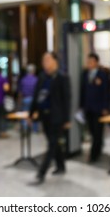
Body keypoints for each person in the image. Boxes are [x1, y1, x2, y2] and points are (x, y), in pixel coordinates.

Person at [28, 52, 71, 185]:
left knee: (52, 144)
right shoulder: (42, 77)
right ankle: (61, 166)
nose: (44, 63)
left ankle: (41, 173)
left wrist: (67, 119)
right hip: (44, 116)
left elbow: (67, 99)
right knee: (54, 142)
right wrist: (31, 114)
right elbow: (36, 97)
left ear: (55, 61)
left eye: (47, 60)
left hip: (57, 117)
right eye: (43, 60)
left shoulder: (62, 77)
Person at [80, 53, 109, 163]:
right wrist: (82, 106)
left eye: (91, 61)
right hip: (88, 108)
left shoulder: (102, 74)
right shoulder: (85, 74)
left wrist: (105, 107)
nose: (89, 64)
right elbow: (82, 90)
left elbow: (106, 91)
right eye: (88, 61)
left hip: (99, 108)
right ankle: (97, 148)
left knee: (98, 132)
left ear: (96, 62)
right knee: (92, 131)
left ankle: (94, 155)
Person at [18, 64, 38, 131]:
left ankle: (25, 128)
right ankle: (34, 129)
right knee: (34, 114)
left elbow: (20, 92)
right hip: (33, 99)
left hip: (25, 99)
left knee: (25, 114)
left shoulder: (23, 80)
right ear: (33, 71)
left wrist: (19, 100)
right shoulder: (36, 80)